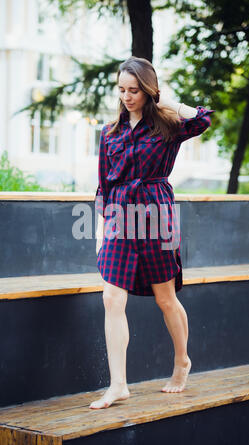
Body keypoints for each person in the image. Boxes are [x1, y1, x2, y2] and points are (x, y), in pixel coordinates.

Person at [90, 56, 215, 409]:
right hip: (118, 217)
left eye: (134, 90)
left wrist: (169, 103)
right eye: (122, 90)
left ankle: (182, 361)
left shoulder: (167, 126)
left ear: (148, 91)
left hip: (156, 214)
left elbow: (204, 118)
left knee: (165, 298)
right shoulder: (109, 133)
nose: (127, 97)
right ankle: (118, 385)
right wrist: (103, 230)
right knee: (111, 298)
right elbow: (103, 182)